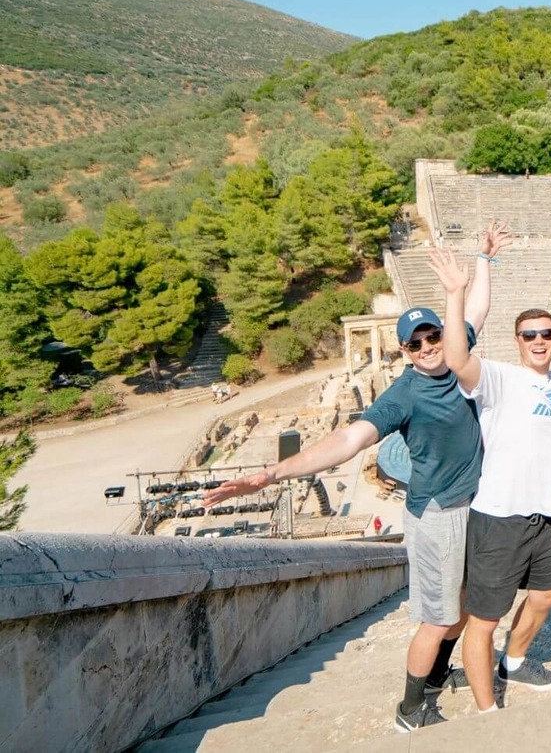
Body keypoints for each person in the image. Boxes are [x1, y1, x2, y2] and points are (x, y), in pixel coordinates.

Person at [205, 222, 506, 733]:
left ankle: (435, 678)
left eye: (434, 335)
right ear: (406, 352)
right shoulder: (403, 395)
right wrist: (273, 473)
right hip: (437, 516)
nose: (430, 346)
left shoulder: (458, 355)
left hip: (471, 505)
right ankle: (411, 708)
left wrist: (483, 258)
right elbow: (348, 441)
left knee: (459, 608)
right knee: (436, 619)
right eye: (417, 343)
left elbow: (476, 309)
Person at [432, 243, 551, 713]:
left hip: (544, 516)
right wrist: (457, 293)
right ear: (518, 341)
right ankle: (488, 714)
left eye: (547, 333)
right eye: (529, 334)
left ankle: (512, 663)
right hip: (498, 517)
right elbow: (455, 358)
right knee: (483, 620)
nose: (538, 340)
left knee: (548, 594)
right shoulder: (498, 378)